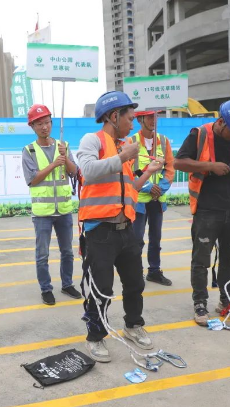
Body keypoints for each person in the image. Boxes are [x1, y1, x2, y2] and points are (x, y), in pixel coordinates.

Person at [76, 91, 163, 362]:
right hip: (100, 231)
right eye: (129, 117)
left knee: (135, 283)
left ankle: (133, 325)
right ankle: (95, 337)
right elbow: (87, 171)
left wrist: (147, 173)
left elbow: (130, 190)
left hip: (127, 229)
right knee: (100, 288)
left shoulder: (124, 146)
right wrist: (123, 156)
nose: (133, 122)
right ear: (114, 116)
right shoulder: (93, 140)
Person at [174, 98, 230, 326]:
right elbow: (178, 162)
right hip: (207, 208)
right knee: (201, 259)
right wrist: (209, 166)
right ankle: (200, 303)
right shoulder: (200, 134)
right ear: (222, 122)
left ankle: (227, 302)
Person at [22, 104, 81, 305]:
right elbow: (32, 179)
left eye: (47, 122)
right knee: (43, 254)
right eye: (39, 124)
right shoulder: (29, 150)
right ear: (32, 126)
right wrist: (54, 164)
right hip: (42, 213)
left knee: (67, 251)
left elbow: (74, 172)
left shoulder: (64, 146)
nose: (44, 127)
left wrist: (65, 160)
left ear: (52, 123)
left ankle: (67, 284)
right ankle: (46, 289)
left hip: (64, 209)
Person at [131, 110, 175, 286]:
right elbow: (129, 171)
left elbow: (170, 167)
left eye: (155, 116)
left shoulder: (163, 141)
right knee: (137, 240)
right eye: (149, 117)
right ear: (140, 119)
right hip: (139, 200)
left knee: (156, 238)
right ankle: (135, 273)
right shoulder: (132, 142)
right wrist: (149, 187)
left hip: (157, 199)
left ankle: (154, 271)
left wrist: (161, 188)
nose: (153, 120)